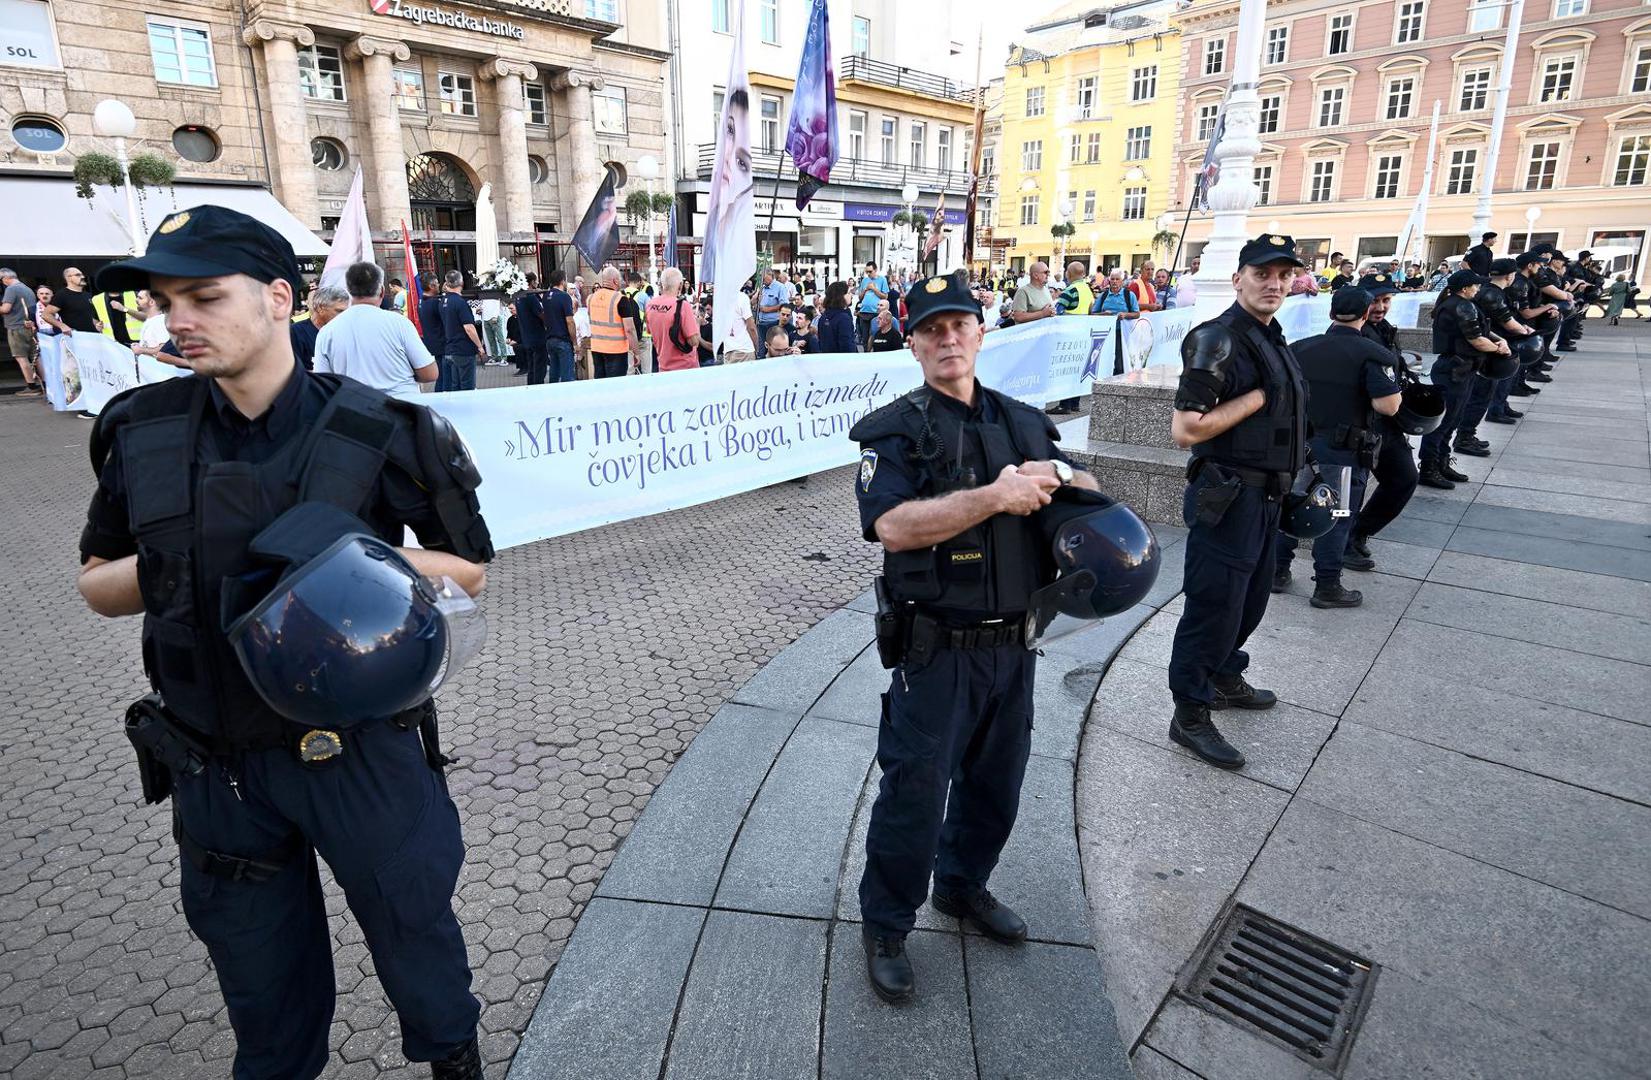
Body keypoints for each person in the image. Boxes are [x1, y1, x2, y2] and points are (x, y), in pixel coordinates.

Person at [78, 204, 493, 1080]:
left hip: (360, 755)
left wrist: (353, 564)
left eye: (202, 296)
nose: (177, 320)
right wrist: (178, 564)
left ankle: (454, 1059)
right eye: (163, 302)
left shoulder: (385, 428)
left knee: (418, 945)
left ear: (278, 296)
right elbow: (94, 583)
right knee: (264, 998)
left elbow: (470, 569)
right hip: (215, 764)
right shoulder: (140, 431)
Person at [849, 270, 1100, 1004]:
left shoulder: (1022, 421)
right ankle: (886, 924)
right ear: (913, 344)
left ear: (981, 332)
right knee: (914, 795)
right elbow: (891, 526)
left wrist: (1071, 480)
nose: (947, 337)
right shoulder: (895, 431)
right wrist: (994, 495)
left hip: (1013, 646)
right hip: (935, 651)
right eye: (931, 328)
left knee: (996, 787)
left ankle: (961, 887)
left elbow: (1078, 491)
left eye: (958, 323)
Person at [1166, 234, 1309, 771]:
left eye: (1283, 274)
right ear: (1238, 278)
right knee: (1214, 605)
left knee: (1250, 601)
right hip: (1229, 497)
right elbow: (1186, 429)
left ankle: (1224, 675)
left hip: (1267, 494)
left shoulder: (1273, 336)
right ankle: (1190, 713)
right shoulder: (1218, 338)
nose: (1273, 283)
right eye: (1261, 273)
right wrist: (1253, 399)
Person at [1273, 287, 1402, 609]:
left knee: (1288, 508)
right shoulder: (1374, 354)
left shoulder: (1299, 348)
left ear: (1331, 314)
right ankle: (1328, 585)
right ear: (1363, 315)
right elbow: (1388, 406)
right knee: (1338, 515)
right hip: (1343, 453)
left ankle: (1276, 571)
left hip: (1297, 448)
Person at [1418, 270, 1511, 490]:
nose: (1478, 289)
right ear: (1464, 288)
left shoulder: (1461, 304)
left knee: (1452, 420)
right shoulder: (1460, 305)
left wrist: (1500, 340)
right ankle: (1429, 468)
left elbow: (1482, 331)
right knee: (1443, 422)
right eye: (1475, 286)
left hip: (1461, 368)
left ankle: (1441, 462)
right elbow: (1477, 340)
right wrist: (1500, 350)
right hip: (1454, 369)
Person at [1348, 273, 1418, 553]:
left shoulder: (1384, 328)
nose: (1380, 307)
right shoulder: (1356, 332)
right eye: (1374, 301)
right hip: (1361, 423)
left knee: (1404, 478)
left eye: (1386, 300)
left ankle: (1358, 532)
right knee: (1350, 490)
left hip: (1387, 422)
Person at [313, 261, 438, 400]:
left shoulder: (327, 332)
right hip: (402, 408)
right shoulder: (400, 323)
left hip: (353, 410)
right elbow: (430, 373)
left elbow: (323, 385)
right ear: (382, 291)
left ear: (348, 291)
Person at [1455, 258, 1539, 440]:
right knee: (1480, 397)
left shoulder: (1494, 293)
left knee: (1484, 394)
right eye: (1474, 287)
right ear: (1510, 276)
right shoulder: (1491, 295)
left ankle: (1470, 432)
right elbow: (1487, 332)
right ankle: (1465, 436)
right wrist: (1501, 345)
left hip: (1495, 348)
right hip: (1487, 353)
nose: (1476, 290)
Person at [644, 268, 704, 372]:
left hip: (663, 365)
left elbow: (650, 331)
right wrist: (696, 323)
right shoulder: (682, 306)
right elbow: (694, 342)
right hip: (685, 367)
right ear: (680, 285)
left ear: (662, 284)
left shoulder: (651, 305)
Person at [437, 270, 487, 391]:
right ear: (461, 283)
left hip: (449, 349)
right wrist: (480, 347)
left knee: (455, 386)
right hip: (463, 349)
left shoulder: (443, 301)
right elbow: (469, 328)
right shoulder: (460, 303)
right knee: (467, 387)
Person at [586, 267, 640, 378]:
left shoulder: (591, 298)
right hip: (616, 351)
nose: (621, 282)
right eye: (619, 279)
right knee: (615, 386)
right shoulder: (621, 299)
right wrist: (636, 352)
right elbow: (629, 329)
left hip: (597, 349)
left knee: (600, 382)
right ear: (615, 281)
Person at [1, 267, 42, 396]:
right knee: (36, 357)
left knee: (21, 358)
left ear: (7, 278)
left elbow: (6, 309)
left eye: (1, 279)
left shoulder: (11, 289)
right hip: (29, 327)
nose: (2, 282)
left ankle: (31, 387)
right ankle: (44, 385)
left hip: (16, 327)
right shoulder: (27, 288)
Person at [290, 285, 348, 371]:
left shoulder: (346, 333)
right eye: (339, 311)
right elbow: (292, 371)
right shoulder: (296, 332)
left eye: (346, 311)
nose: (344, 316)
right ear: (321, 308)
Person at [538, 269, 577, 383]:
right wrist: (574, 342)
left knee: (554, 372)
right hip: (563, 339)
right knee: (567, 375)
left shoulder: (545, 296)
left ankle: (553, 396)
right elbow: (570, 321)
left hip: (550, 339)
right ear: (562, 281)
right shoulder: (564, 297)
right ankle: (567, 398)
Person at [512, 273, 548, 384]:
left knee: (531, 366)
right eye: (536, 281)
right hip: (537, 337)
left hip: (526, 337)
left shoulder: (519, 296)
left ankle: (531, 386)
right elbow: (541, 314)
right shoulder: (530, 296)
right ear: (532, 282)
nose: (537, 283)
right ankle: (538, 388)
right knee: (539, 367)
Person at [49, 266, 102, 333]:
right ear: (68, 278)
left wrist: (98, 325)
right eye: (78, 275)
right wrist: (62, 326)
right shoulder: (62, 295)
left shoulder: (88, 295)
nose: (83, 277)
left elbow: (91, 315)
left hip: (94, 336)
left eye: (82, 274)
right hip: (76, 337)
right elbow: (46, 315)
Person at [719, 283, 758, 364]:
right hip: (744, 350)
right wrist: (757, 347)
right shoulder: (742, 297)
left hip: (728, 350)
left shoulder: (720, 298)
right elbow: (751, 328)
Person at [817, 280, 857, 354]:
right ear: (840, 296)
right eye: (848, 293)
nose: (851, 295)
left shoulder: (823, 317)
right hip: (842, 361)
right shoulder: (843, 318)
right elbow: (847, 346)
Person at [856, 261, 889, 349]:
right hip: (864, 311)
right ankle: (866, 354)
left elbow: (885, 296)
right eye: (867, 272)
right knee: (865, 337)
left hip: (876, 312)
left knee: (875, 334)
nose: (868, 274)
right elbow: (860, 298)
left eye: (870, 271)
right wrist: (865, 290)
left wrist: (874, 289)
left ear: (875, 270)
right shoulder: (865, 280)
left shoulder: (882, 279)